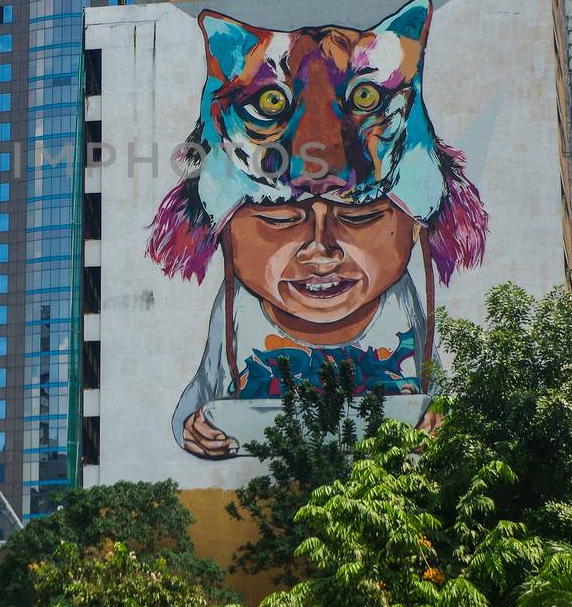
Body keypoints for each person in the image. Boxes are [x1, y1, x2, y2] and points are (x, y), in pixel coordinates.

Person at [175, 195, 428, 458]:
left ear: (415, 227)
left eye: (359, 217)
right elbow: (203, 390)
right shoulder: (237, 300)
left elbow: (437, 389)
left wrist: (441, 415)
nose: (321, 256)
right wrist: (193, 429)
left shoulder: (400, 296)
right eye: (280, 219)